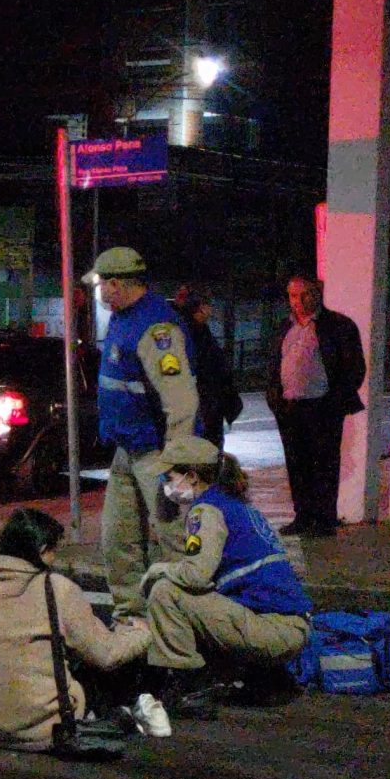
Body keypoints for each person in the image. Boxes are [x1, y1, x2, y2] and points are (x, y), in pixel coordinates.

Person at [0, 507, 152, 752]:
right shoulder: (57, 589)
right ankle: (125, 712)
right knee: (104, 663)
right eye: (53, 551)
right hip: (45, 729)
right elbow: (106, 655)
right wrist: (141, 633)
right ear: (41, 551)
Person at [140, 434, 313, 708]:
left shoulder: (205, 511)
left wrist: (158, 570)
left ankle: (188, 686)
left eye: (169, 477)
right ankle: (259, 676)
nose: (166, 485)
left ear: (192, 477)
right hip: (290, 626)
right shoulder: (236, 504)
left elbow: (195, 575)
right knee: (198, 597)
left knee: (165, 592)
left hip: (273, 630)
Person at [90, 248, 200, 617]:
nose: (101, 291)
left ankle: (183, 621)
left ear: (116, 285)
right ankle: (132, 620)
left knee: (173, 539)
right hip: (128, 450)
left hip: (158, 454)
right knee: (118, 540)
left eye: (103, 284)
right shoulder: (124, 318)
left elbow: (181, 404)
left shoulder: (157, 329)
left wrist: (177, 469)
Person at [267, 275, 365, 537]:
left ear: (317, 293)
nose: (297, 301)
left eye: (304, 294)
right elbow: (274, 365)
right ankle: (303, 516)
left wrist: (334, 402)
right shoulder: (284, 327)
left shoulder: (338, 326)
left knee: (324, 464)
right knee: (296, 464)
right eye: (292, 295)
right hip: (290, 407)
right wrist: (275, 399)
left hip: (322, 407)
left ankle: (323, 520)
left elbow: (354, 368)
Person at [172, 285, 243, 443]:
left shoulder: (187, 330)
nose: (211, 309)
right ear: (201, 308)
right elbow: (214, 371)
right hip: (205, 408)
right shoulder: (197, 334)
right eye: (208, 305)